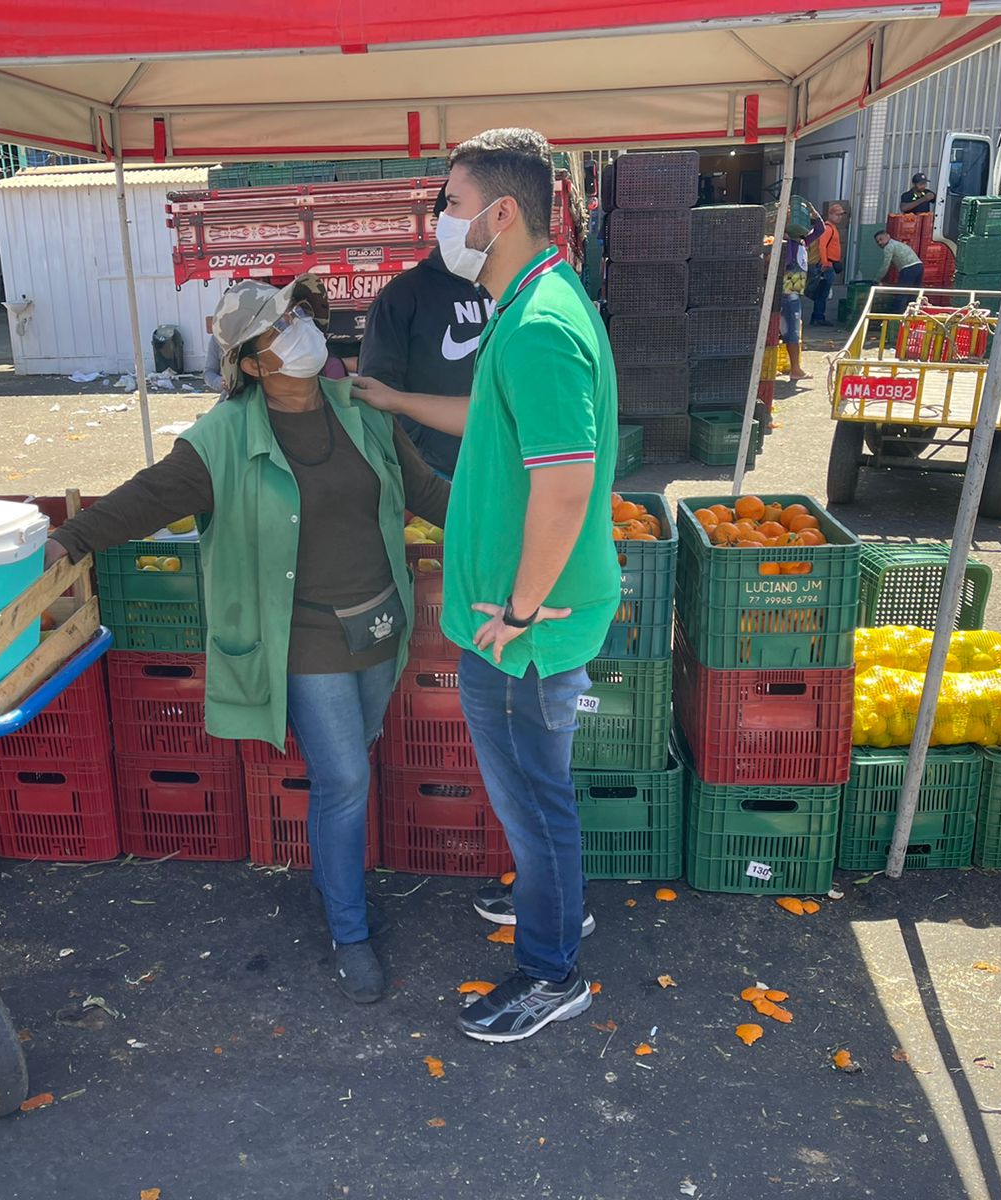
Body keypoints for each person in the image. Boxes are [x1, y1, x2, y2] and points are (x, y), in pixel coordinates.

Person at [45, 276, 449, 1005]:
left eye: (299, 315)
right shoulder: (223, 439)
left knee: (347, 765)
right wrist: (70, 540)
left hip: (379, 622)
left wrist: (510, 527)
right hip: (301, 636)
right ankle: (349, 929)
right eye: (279, 328)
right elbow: (148, 497)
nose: (300, 330)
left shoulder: (359, 408)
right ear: (253, 364)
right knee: (344, 779)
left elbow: (423, 490)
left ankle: (335, 884)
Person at [353, 127, 617, 1044]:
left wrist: (519, 610)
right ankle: (555, 901)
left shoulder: (539, 325)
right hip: (523, 622)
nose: (443, 222)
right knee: (539, 797)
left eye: (453, 205)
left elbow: (566, 483)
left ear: (502, 213)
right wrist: (395, 400)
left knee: (536, 803)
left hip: (523, 634)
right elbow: (490, 415)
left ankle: (550, 973)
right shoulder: (535, 300)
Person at [357, 184, 492, 479]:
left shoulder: (513, 292)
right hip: (438, 475)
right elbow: (377, 384)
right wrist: (421, 453)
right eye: (451, 209)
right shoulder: (403, 295)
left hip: (509, 466)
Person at [807, 202, 845, 326]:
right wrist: (825, 263)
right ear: (830, 214)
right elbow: (822, 246)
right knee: (822, 293)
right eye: (837, 214)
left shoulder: (832, 228)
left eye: (841, 215)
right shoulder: (828, 228)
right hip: (827, 265)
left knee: (822, 292)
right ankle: (818, 317)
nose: (839, 217)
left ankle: (817, 317)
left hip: (829, 264)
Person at [779, 235, 810, 381]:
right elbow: (786, 261)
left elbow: (819, 230)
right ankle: (795, 369)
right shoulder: (791, 243)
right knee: (792, 330)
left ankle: (795, 368)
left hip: (794, 291)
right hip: (789, 291)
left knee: (791, 330)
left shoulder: (802, 242)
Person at [874, 230, 925, 312]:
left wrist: (877, 279)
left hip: (908, 268)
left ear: (888, 236)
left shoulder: (888, 247)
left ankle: (897, 315)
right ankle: (913, 313)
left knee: (902, 294)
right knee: (914, 294)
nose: (880, 243)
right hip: (919, 266)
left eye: (881, 239)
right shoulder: (898, 244)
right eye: (877, 242)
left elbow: (885, 265)